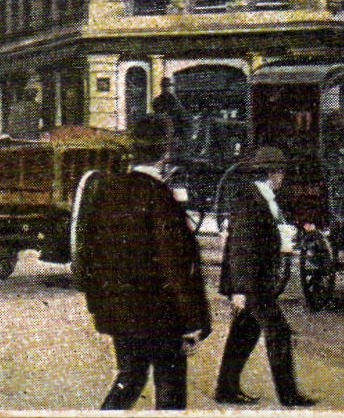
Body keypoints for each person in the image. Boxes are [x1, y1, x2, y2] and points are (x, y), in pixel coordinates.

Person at [71, 115, 211, 411]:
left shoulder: (106, 190)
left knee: (130, 378)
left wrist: (101, 304)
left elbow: (85, 256)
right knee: (170, 389)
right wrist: (193, 321)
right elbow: (176, 267)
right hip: (162, 317)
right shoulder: (160, 198)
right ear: (166, 153)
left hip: (120, 314)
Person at [214, 146, 317, 407]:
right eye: (281, 172)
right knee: (279, 332)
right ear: (274, 172)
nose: (283, 178)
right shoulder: (251, 200)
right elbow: (240, 247)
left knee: (244, 333)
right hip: (252, 283)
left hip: (257, 280)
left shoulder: (264, 197)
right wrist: (239, 290)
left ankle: (225, 389)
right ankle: (289, 396)